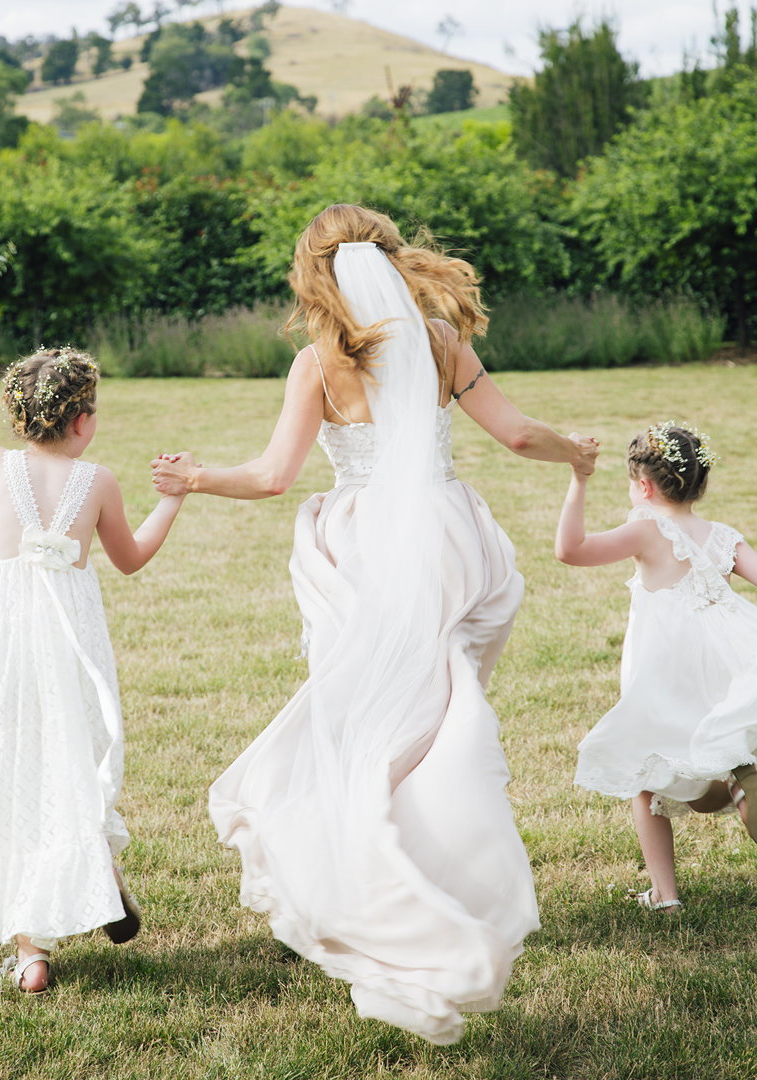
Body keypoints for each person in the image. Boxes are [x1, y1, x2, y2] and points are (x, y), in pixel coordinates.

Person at [152, 203, 598, 1043]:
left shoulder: (316, 364)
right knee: (437, 711)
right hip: (446, 541)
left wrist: (199, 478)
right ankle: (428, 865)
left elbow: (275, 475)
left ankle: (367, 872)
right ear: (390, 260)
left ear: (312, 273)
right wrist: (571, 451)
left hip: (355, 549)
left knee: (364, 717)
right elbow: (513, 433)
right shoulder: (440, 342)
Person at [0, 347, 185, 993]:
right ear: (82, 420)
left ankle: (31, 955)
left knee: (10, 771)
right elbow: (132, 556)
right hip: (69, 647)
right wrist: (172, 498)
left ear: (16, 414)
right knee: (70, 758)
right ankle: (101, 870)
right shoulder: (100, 482)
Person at [555, 422, 757, 914]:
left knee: (646, 769)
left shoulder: (648, 529)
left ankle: (666, 896)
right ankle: (735, 786)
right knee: (743, 756)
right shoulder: (723, 536)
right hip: (736, 652)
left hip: (673, 665)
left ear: (644, 487)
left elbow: (570, 550)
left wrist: (579, 479)